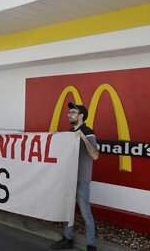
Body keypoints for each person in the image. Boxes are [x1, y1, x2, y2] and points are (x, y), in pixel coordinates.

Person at [50, 102, 99, 251]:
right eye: (69, 112)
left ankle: (91, 245)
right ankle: (68, 238)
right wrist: (54, 137)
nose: (68, 114)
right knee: (68, 210)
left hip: (81, 180)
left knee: (85, 213)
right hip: (69, 179)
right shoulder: (69, 132)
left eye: (72, 112)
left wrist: (83, 137)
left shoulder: (88, 131)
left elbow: (95, 155)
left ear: (81, 116)